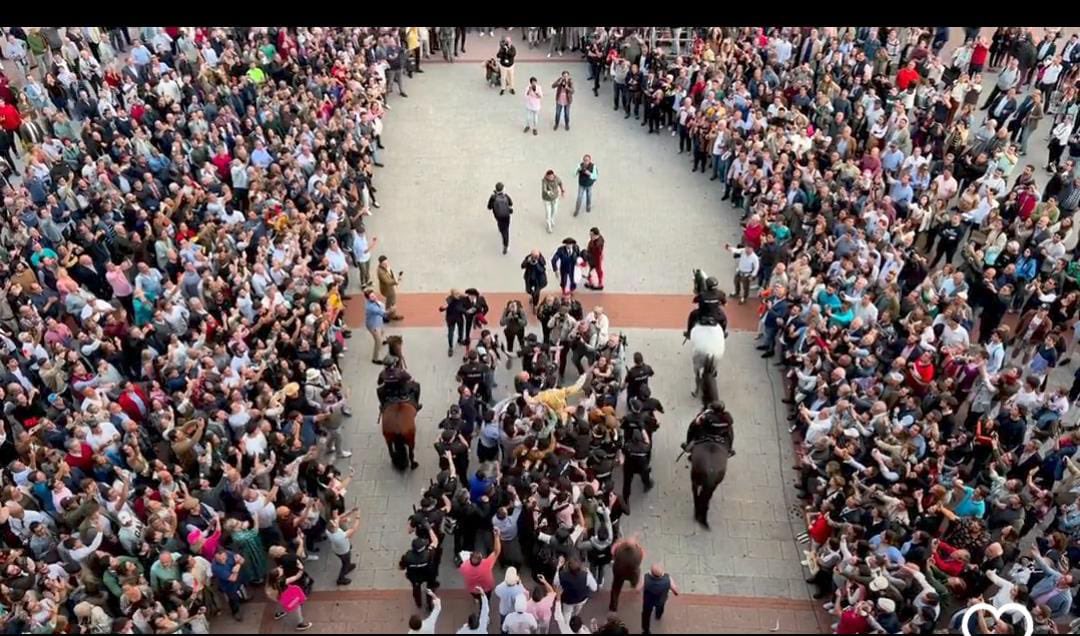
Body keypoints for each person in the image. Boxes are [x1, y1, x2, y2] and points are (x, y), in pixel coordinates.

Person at [640, 564, 679, 634]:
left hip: (648, 601)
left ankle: (646, 630)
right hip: (661, 600)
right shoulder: (667, 579)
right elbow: (676, 592)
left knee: (646, 614)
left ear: (651, 573)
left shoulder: (646, 578)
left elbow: (638, 589)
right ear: (662, 573)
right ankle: (658, 616)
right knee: (660, 608)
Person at [327, 508, 361, 585]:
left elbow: (339, 518)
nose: (336, 521)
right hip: (344, 552)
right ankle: (341, 578)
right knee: (345, 563)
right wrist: (358, 516)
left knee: (345, 561)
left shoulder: (328, 530)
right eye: (335, 523)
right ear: (334, 527)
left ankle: (348, 566)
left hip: (337, 550)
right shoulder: (340, 536)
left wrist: (351, 511)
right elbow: (354, 529)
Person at [488, 182, 514, 254]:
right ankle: (506, 245)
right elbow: (511, 203)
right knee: (506, 230)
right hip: (506, 216)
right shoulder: (506, 196)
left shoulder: (493, 197)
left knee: (501, 226)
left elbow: (489, 207)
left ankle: (501, 230)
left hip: (498, 216)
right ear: (503, 189)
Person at [364, 289, 388, 364]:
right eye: (371, 296)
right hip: (373, 325)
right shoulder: (371, 307)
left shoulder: (375, 302)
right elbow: (382, 312)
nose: (374, 297)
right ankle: (375, 358)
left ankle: (382, 341)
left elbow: (382, 306)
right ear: (368, 298)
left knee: (382, 332)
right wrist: (391, 310)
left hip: (378, 321)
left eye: (374, 295)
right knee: (378, 341)